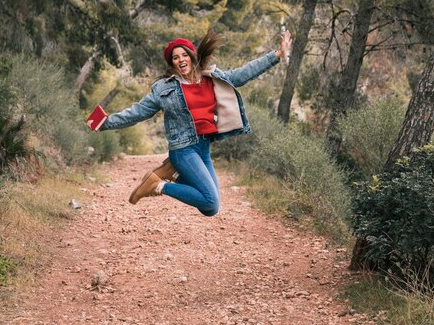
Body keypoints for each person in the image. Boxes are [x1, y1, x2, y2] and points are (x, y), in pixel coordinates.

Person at [91, 28, 292, 216]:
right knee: (210, 201)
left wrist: (277, 55)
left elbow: (243, 73)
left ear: (192, 55)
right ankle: (157, 185)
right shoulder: (164, 88)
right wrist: (105, 122)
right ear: (172, 64)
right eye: (175, 58)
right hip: (183, 149)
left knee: (210, 209)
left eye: (184, 55)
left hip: (203, 147)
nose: (181, 60)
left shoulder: (211, 78)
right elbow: (137, 112)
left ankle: (173, 174)